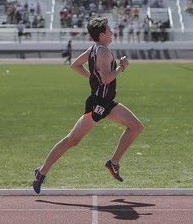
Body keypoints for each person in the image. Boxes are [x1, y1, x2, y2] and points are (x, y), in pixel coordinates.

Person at [33, 17, 143, 194]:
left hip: (106, 102)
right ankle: (41, 172)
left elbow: (75, 65)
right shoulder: (104, 52)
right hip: (98, 104)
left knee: (136, 126)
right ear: (102, 34)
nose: (112, 32)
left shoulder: (93, 49)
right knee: (72, 140)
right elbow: (107, 78)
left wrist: (94, 78)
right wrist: (122, 67)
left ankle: (113, 163)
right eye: (109, 30)